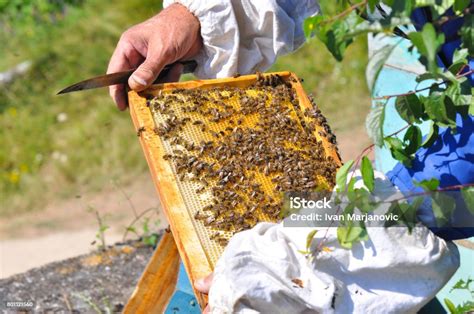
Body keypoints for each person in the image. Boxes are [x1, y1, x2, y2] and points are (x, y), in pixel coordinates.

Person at [107, 1, 472, 313]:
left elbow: (444, 181)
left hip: (452, 152)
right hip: (432, 52)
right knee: (299, 207)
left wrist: (321, 257)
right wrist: (203, 15)